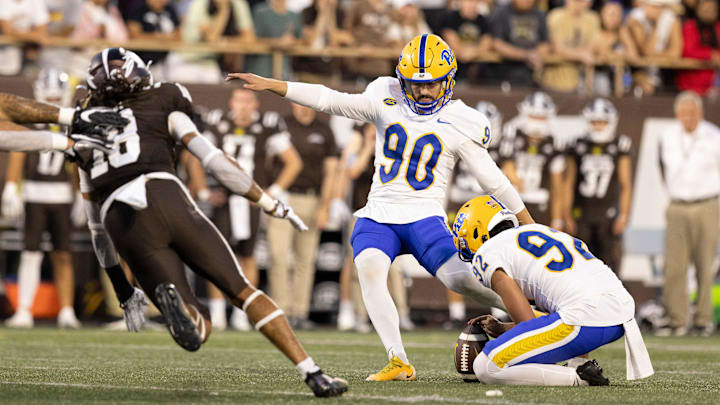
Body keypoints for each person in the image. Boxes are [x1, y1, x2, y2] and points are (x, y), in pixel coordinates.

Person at [227, 33, 533, 381]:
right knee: (369, 271)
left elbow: (493, 180)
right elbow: (330, 100)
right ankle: (398, 360)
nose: (424, 92)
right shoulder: (384, 96)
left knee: (464, 282)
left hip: (425, 217)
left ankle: (541, 320)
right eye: (416, 85)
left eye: (432, 84)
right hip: (378, 215)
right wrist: (274, 85)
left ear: (448, 80)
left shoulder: (461, 120)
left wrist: (527, 221)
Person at [72, 47, 347, 397]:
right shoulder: (162, 101)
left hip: (122, 221)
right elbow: (214, 160)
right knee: (245, 291)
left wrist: (122, 288)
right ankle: (314, 374)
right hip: (165, 195)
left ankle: (184, 312)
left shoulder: (84, 136)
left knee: (197, 331)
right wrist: (267, 201)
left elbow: (96, 229)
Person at [452, 195, 653, 386]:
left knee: (486, 366)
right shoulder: (540, 230)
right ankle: (580, 365)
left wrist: (502, 329)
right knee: (563, 305)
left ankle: (579, 378)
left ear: (477, 231)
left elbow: (527, 323)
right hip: (620, 313)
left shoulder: (487, 253)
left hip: (585, 319)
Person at [196, 88, 302, 331]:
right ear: (231, 102)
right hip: (223, 200)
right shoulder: (216, 122)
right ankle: (218, 313)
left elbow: (293, 162)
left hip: (251, 202)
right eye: (239, 100)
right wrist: (203, 191)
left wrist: (270, 193)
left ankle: (242, 313)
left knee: (248, 256)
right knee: (217, 256)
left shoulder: (268, 125)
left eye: (248, 101)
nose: (243, 106)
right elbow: (194, 157)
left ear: (255, 104)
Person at [2, 69, 83, 329]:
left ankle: (67, 311)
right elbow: (17, 151)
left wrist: (82, 195)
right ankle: (24, 309)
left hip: (61, 197)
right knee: (31, 253)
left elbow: (77, 163)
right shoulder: (31, 121)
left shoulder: (71, 125)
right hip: (35, 194)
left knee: (63, 255)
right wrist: (12, 187)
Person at [266, 103, 338, 329]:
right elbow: (266, 159)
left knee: (305, 258)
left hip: (311, 198)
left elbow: (331, 171)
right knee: (278, 255)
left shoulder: (324, 129)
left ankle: (299, 311)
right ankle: (281, 310)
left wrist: (325, 206)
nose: (300, 106)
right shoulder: (281, 123)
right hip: (283, 198)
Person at [657, 91, 720, 337]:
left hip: (707, 203)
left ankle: (703, 319)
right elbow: (662, 169)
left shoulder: (714, 136)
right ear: (677, 114)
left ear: (700, 112)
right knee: (674, 266)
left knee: (705, 263)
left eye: (692, 112)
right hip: (677, 205)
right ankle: (676, 319)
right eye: (684, 113)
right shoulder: (667, 136)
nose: (688, 117)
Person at [565, 98, 632, 274]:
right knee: (578, 265)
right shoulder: (578, 145)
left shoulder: (619, 145)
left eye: (602, 122)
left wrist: (623, 215)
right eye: (594, 121)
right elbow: (568, 183)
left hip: (607, 214)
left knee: (610, 264)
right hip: (582, 213)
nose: (598, 126)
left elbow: (625, 184)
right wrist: (566, 214)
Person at [500, 92, 565, 227]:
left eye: (541, 117)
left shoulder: (555, 143)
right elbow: (507, 164)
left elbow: (556, 186)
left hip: (539, 203)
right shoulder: (511, 133)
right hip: (512, 201)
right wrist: (516, 180)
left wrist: (557, 219)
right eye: (533, 116)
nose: (537, 122)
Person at [542, 0, 600, 92]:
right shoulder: (556, 16)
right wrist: (581, 55)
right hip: (554, 82)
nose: (578, 4)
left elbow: (594, 47)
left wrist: (570, 52)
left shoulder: (593, 18)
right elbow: (557, 48)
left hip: (583, 83)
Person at [489, 0, 550, 87]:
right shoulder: (501, 13)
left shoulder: (540, 15)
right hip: (505, 73)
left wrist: (536, 55)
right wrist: (526, 55)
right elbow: (497, 44)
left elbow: (546, 44)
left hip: (532, 74)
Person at [675, 0, 720, 96]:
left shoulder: (718, 28)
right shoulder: (689, 27)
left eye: (712, 9)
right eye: (705, 8)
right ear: (697, 9)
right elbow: (687, 51)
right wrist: (710, 54)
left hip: (713, 88)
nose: (708, 11)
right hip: (689, 87)